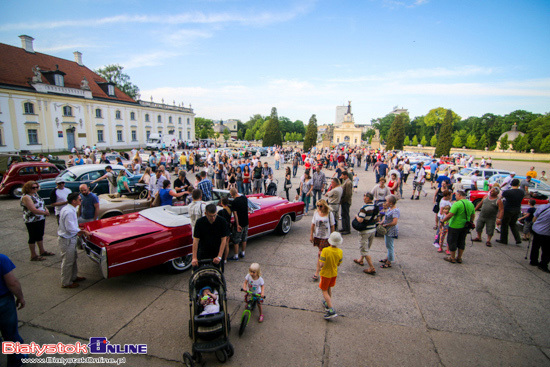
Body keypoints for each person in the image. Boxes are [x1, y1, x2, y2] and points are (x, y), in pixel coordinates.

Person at [58, 192, 90, 288]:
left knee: (73, 259)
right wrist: (83, 231)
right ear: (74, 201)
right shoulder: (69, 212)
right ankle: (66, 282)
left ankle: (73, 276)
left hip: (70, 238)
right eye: (80, 199)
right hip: (67, 240)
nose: (81, 200)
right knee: (68, 262)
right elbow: (70, 228)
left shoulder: (69, 209)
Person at [0, 254, 26, 367]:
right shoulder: (1, 258)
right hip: (3, 302)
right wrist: (20, 297)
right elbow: (12, 283)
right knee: (10, 334)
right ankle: (16, 361)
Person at [20, 181, 54, 261]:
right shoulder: (26, 197)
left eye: (36, 187)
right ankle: (33, 255)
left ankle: (42, 251)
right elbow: (33, 209)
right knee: (33, 236)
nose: (35, 189)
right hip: (32, 220)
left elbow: (42, 203)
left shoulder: (35, 194)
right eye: (33, 188)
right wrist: (44, 213)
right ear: (27, 188)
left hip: (40, 218)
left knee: (40, 235)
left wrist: (46, 209)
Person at [191, 204, 230, 272]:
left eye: (214, 215)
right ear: (205, 213)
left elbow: (224, 240)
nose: (213, 218)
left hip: (217, 251)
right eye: (210, 216)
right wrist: (194, 257)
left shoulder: (222, 221)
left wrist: (219, 256)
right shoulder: (199, 222)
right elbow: (196, 240)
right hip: (203, 252)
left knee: (218, 274)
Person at [440, 190, 475, 264]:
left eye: (455, 195)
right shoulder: (470, 204)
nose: (455, 197)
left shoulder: (457, 204)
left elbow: (450, 214)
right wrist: (470, 222)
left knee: (452, 241)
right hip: (465, 226)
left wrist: (442, 221)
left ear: (459, 195)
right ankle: (459, 257)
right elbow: (473, 215)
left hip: (455, 225)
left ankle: (452, 257)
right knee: (461, 241)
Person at [319, 231, 343, 319]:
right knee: (329, 288)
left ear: (330, 241)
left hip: (325, 273)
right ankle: (327, 303)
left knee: (324, 290)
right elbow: (339, 263)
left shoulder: (325, 251)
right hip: (334, 273)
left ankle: (331, 309)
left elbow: (321, 264)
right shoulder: (340, 251)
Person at [353, 193, 378, 275]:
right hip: (372, 229)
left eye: (364, 197)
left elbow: (360, 220)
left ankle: (371, 267)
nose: (363, 198)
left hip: (365, 231)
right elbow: (377, 218)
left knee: (364, 249)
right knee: (367, 246)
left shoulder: (364, 208)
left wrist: (356, 216)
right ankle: (361, 260)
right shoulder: (375, 207)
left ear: (368, 198)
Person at [311, 200, 335, 281]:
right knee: (323, 254)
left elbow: (332, 226)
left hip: (326, 237)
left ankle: (317, 272)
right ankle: (325, 268)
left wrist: (332, 237)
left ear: (325, 206)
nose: (319, 207)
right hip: (318, 236)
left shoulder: (329, 214)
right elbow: (313, 224)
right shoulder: (316, 213)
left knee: (320, 254)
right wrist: (311, 235)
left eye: (321, 206)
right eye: (318, 206)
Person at [497, 179, 523, 245]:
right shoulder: (521, 192)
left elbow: (500, 197)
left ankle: (504, 239)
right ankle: (518, 239)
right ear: (518, 184)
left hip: (508, 209)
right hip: (517, 209)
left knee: (504, 224)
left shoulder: (507, 192)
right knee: (513, 224)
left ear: (511, 184)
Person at [379, 195, 400, 269]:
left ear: (391, 203)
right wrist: (382, 222)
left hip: (391, 230)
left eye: (387, 201)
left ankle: (389, 262)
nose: (386, 203)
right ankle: (387, 258)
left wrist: (386, 224)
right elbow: (386, 216)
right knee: (388, 244)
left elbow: (394, 222)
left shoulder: (395, 211)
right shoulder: (390, 209)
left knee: (389, 246)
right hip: (388, 230)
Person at [529, 202, 550, 272]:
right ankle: (543, 264)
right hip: (546, 232)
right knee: (547, 250)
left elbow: (534, 218)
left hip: (536, 229)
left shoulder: (542, 207)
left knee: (535, 246)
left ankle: (533, 261)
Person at [229, 188, 249, 260]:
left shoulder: (234, 202)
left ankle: (236, 255)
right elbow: (247, 208)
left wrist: (237, 225)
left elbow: (235, 214)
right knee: (244, 238)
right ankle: (243, 252)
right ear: (237, 191)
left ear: (231, 194)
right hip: (246, 222)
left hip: (239, 224)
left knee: (236, 240)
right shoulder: (244, 198)